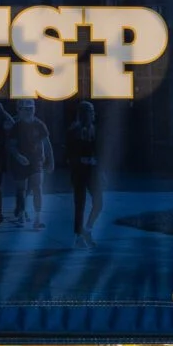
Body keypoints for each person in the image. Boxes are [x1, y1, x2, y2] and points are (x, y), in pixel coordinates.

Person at [8, 101, 53, 230]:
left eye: (31, 109)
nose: (29, 112)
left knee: (37, 188)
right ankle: (21, 215)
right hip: (20, 162)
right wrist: (18, 156)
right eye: (26, 109)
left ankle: (37, 219)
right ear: (20, 111)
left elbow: (47, 143)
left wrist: (51, 161)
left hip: (36, 161)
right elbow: (11, 146)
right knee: (22, 190)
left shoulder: (39, 125)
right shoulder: (16, 127)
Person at [65, 100, 103, 246]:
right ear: (84, 114)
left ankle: (88, 229)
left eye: (93, 112)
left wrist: (98, 166)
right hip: (79, 172)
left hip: (93, 172)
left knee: (98, 203)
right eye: (90, 112)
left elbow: (98, 150)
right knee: (80, 204)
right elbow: (69, 154)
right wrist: (82, 159)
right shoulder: (73, 131)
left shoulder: (94, 129)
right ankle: (78, 236)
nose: (93, 115)